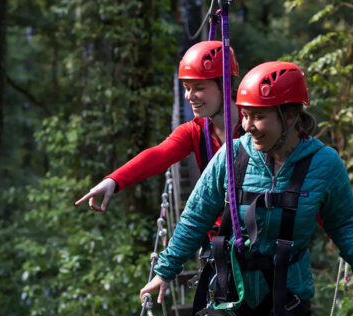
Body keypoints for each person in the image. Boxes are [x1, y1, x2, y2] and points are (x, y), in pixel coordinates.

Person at [140, 61, 353, 316]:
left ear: (290, 116)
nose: (247, 125)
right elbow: (194, 217)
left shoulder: (324, 164)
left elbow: (342, 224)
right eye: (245, 114)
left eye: (259, 116)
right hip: (230, 291)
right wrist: (164, 272)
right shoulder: (231, 156)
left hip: (287, 292)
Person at [75, 40, 243, 211]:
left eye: (198, 88)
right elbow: (158, 155)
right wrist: (114, 180)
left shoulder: (256, 126)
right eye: (186, 88)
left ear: (225, 85)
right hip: (217, 230)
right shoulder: (195, 132)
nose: (189, 96)